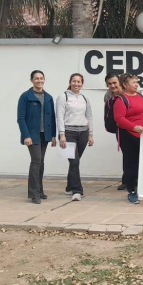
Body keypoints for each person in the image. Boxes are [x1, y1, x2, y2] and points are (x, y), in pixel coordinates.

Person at [113, 73, 143, 204]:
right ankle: (131, 191)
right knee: (132, 164)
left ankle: (142, 188)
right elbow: (119, 119)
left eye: (137, 82)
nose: (136, 84)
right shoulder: (121, 100)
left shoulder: (140, 95)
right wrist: (134, 127)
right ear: (125, 84)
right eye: (133, 82)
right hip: (130, 136)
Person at [17, 70, 56, 204]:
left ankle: (39, 190)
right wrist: (26, 136)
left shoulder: (49, 97)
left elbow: (52, 118)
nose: (39, 81)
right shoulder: (25, 96)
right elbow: (21, 118)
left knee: (41, 162)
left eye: (41, 78)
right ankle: (34, 193)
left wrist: (53, 135)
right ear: (31, 80)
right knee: (36, 161)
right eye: (36, 78)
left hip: (45, 135)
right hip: (32, 135)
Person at [56, 73, 94, 201]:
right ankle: (77, 191)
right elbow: (59, 116)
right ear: (70, 82)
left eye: (79, 82)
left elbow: (89, 116)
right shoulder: (63, 97)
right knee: (74, 161)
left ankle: (68, 187)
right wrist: (62, 134)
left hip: (83, 133)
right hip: (68, 133)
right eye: (74, 81)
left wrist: (91, 134)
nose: (76, 84)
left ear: (82, 84)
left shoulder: (85, 98)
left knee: (74, 163)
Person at [103, 72, 127, 191]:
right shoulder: (108, 95)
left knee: (135, 155)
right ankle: (126, 180)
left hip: (132, 127)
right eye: (109, 84)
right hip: (119, 128)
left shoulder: (129, 91)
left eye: (114, 83)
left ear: (120, 82)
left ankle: (135, 180)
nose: (112, 86)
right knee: (126, 154)